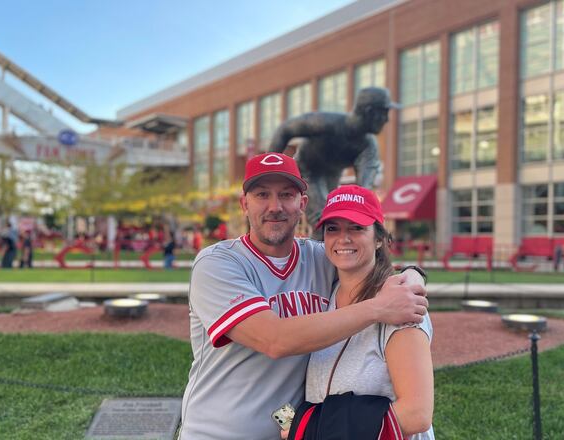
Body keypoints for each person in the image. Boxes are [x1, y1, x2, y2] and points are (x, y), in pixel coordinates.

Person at [180, 153, 427, 439]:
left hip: (293, 433)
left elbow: (366, 257)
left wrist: (413, 275)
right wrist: (379, 308)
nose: (275, 206)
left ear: (302, 204)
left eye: (286, 194)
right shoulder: (218, 263)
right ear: (244, 204)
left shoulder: (322, 258)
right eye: (262, 194)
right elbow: (274, 340)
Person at [287, 185, 434, 439]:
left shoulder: (401, 303)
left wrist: (308, 429)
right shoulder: (326, 293)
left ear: (379, 238)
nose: (344, 238)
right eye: (333, 228)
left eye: (357, 227)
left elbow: (416, 414)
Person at [270, 87, 398, 235]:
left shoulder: (368, 146)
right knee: (323, 220)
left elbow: (363, 193)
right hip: (307, 169)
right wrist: (269, 169)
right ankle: (314, 256)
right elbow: (285, 130)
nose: (387, 119)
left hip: (331, 175)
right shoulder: (327, 123)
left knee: (334, 219)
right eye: (384, 113)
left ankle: (331, 255)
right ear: (370, 112)